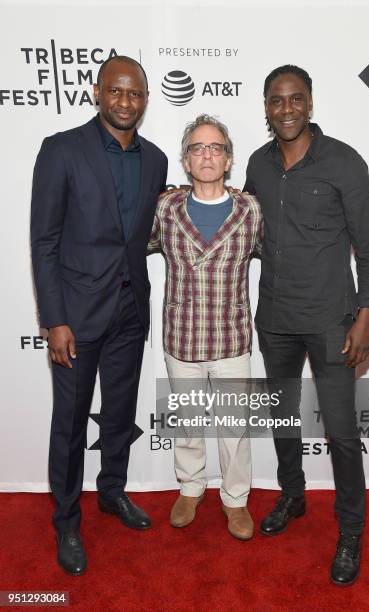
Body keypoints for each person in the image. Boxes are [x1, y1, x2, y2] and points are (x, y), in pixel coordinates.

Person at [244, 65, 369, 585]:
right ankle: (292, 496)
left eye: (295, 99)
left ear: (310, 103)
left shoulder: (344, 162)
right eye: (277, 101)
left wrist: (366, 318)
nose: (287, 110)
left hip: (331, 320)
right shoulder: (258, 165)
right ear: (266, 106)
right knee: (283, 420)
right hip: (275, 318)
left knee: (343, 435)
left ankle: (351, 531)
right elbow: (243, 228)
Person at [30, 55, 167, 575]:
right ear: (97, 92)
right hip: (77, 317)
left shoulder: (155, 160)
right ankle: (66, 518)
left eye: (134, 94)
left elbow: (140, 234)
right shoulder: (62, 150)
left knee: (117, 414)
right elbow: (43, 242)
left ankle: (112, 491)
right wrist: (54, 319)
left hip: (131, 313)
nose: (125, 102)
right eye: (116, 91)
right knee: (68, 423)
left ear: (145, 99)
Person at [149, 114, 262, 540]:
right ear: (186, 160)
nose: (207, 154)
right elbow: (130, 244)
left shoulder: (250, 209)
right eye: (198, 148)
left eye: (215, 147)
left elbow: (275, 256)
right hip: (183, 336)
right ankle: (191, 488)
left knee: (235, 426)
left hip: (232, 338)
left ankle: (235, 500)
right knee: (189, 420)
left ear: (228, 159)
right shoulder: (166, 207)